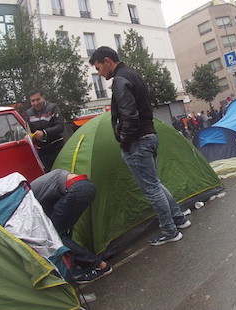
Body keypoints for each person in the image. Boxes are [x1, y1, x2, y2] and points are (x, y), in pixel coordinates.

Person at [88, 46, 190, 246]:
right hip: (149, 135)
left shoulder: (120, 80)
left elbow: (129, 115)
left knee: (151, 188)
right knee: (155, 184)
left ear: (107, 61)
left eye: (99, 68)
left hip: (137, 142)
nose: (100, 74)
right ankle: (179, 219)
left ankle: (170, 230)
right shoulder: (133, 74)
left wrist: (125, 142)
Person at [30, 169, 112, 284]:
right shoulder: (27, 191)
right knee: (59, 231)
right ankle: (80, 264)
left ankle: (98, 266)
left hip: (75, 188)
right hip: (85, 185)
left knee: (54, 236)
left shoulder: (26, 203)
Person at [25, 89, 65, 172]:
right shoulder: (28, 113)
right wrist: (27, 136)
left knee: (63, 173)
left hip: (57, 147)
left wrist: (44, 133)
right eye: (33, 101)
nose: (35, 103)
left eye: (38, 99)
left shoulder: (53, 107)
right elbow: (28, 130)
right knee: (50, 176)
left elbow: (60, 126)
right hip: (42, 151)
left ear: (43, 98)